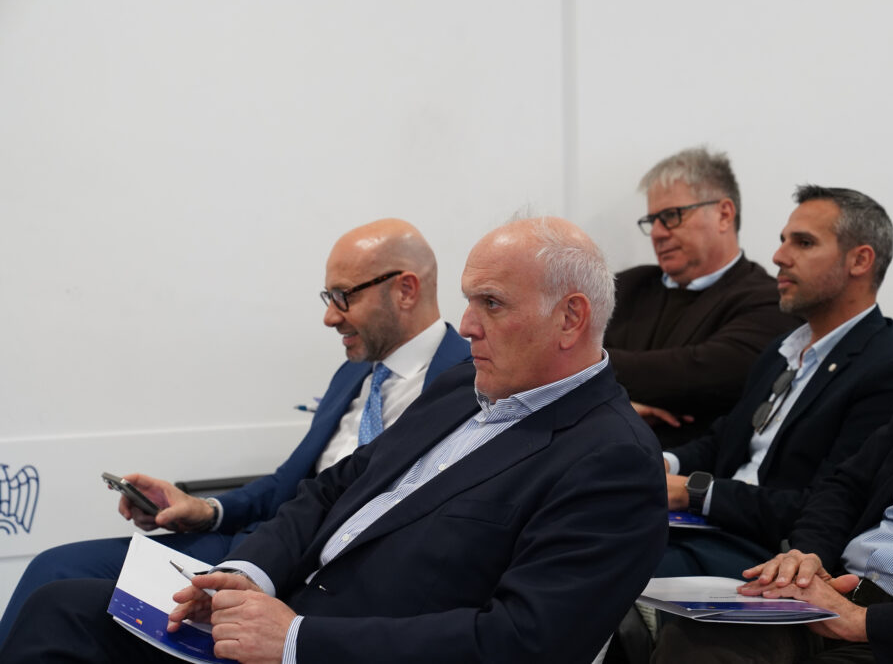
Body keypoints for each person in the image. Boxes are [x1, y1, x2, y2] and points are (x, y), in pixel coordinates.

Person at [1, 216, 669, 664]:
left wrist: (296, 639)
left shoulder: (611, 460)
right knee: (61, 605)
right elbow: (330, 488)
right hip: (276, 609)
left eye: (490, 303)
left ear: (570, 318)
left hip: (331, 646)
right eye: (469, 301)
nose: (465, 324)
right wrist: (244, 575)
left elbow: (523, 643)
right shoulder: (462, 387)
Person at [0, 218, 470, 646]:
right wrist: (204, 510)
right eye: (327, 298)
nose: (330, 317)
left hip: (312, 570)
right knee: (53, 568)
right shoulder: (354, 373)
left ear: (405, 290)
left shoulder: (467, 385)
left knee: (68, 607)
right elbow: (290, 483)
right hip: (248, 542)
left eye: (343, 296)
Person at [654, 183, 893, 662]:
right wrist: (808, 556)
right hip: (838, 593)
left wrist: (867, 622)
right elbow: (848, 483)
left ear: (860, 260)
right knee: (695, 637)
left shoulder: (889, 364)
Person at [656, 186, 893, 577]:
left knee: (605, 567)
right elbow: (725, 440)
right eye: (783, 240)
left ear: (860, 260)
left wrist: (695, 492)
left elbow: (827, 506)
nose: (779, 256)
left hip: (765, 553)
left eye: (803, 243)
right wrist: (663, 464)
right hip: (706, 529)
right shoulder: (784, 347)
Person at [605, 147, 800, 448]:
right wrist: (618, 406)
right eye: (652, 220)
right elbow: (546, 364)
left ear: (724, 214)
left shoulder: (771, 301)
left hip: (684, 470)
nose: (657, 232)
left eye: (671, 216)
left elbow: (696, 377)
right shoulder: (624, 287)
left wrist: (590, 375)